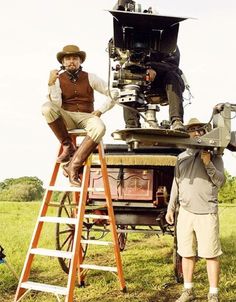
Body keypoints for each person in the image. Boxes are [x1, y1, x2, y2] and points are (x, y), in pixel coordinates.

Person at [165, 118, 225, 302]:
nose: (197, 133)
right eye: (192, 130)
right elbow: (176, 184)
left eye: (200, 130)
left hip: (206, 212)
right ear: (187, 133)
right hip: (185, 213)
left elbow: (221, 182)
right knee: (186, 253)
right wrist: (170, 208)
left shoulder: (215, 156)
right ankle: (188, 291)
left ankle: (213, 293)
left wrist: (208, 163)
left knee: (210, 254)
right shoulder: (181, 157)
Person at [42, 44, 116, 186]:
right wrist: (51, 84)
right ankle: (67, 145)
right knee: (46, 107)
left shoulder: (91, 77)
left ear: (80, 61)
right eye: (68, 59)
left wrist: (101, 110)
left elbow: (114, 93)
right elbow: (56, 105)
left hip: (86, 116)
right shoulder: (57, 79)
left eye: (75, 58)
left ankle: (72, 167)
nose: (71, 61)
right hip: (66, 116)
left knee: (99, 127)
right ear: (63, 63)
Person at [123, 47, 186, 131]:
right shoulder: (130, 41)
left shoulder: (168, 42)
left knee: (172, 76)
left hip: (164, 83)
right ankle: (131, 125)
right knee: (128, 83)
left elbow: (172, 66)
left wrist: (151, 67)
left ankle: (176, 120)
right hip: (140, 81)